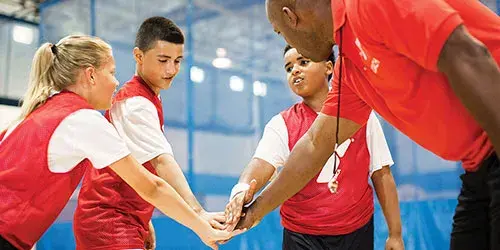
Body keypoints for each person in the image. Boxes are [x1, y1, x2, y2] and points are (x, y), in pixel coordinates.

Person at [236, 0, 500, 249]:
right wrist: (253, 212)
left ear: (290, 17)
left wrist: (395, 233)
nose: (294, 64)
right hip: (478, 166)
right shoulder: (350, 70)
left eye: (280, 33)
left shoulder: (366, 5)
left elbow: (466, 52)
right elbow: (316, 144)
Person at [0, 35, 241, 250]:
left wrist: (142, 217)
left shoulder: (35, 114)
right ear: (90, 75)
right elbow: (152, 186)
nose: (116, 82)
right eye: (112, 72)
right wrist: (201, 226)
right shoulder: (83, 120)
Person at [225, 45, 403, 250]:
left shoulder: (362, 116)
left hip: (357, 230)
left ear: (329, 67)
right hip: (302, 235)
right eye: (289, 68)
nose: (295, 71)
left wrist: (395, 234)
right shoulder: (282, 123)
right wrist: (242, 189)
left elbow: (381, 173)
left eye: (303, 62)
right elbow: (261, 163)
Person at [73, 17, 227, 250]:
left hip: (116, 217)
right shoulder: (136, 104)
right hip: (109, 222)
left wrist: (143, 217)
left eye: (177, 61)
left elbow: (133, 167)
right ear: (138, 56)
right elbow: (162, 163)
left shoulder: (145, 98)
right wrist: (198, 215)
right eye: (163, 60)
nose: (171, 69)